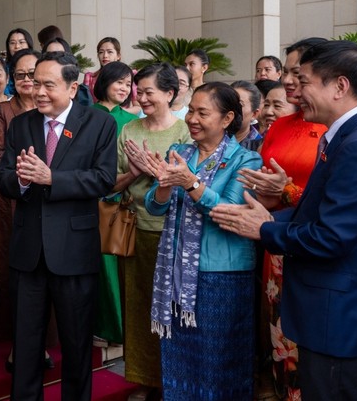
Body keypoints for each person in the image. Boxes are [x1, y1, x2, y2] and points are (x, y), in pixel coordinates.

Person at [211, 40, 357, 401]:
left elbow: (332, 236)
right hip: (330, 307)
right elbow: (323, 208)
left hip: (338, 313)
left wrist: (264, 229)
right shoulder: (351, 134)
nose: (295, 91)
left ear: (340, 86)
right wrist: (271, 215)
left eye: (304, 81)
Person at [0, 51, 118, 400]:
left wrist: (52, 178)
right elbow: (3, 177)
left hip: (74, 253)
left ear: (72, 86)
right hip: (28, 253)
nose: (39, 92)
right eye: (36, 84)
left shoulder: (99, 124)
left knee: (77, 346)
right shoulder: (22, 124)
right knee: (27, 344)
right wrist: (20, 181)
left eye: (49, 85)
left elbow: (104, 179)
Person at [143, 82, 262, 400]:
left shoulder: (246, 161)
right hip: (176, 275)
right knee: (181, 361)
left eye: (202, 113)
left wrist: (191, 182)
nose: (192, 118)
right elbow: (155, 207)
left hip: (221, 277)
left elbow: (231, 213)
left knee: (220, 362)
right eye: (191, 111)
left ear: (227, 119)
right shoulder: (180, 153)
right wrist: (165, 185)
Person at [235, 38, 327, 400]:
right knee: (276, 332)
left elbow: (331, 201)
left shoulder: (330, 128)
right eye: (286, 71)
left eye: (296, 72)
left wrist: (286, 191)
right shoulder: (280, 125)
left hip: (312, 241)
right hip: (273, 239)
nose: (288, 80)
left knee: (312, 343)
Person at [112, 63, 191, 401]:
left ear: (170, 94)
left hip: (175, 234)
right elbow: (110, 184)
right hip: (136, 230)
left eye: (149, 92)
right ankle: (145, 379)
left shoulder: (186, 131)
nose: (141, 98)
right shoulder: (129, 130)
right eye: (137, 91)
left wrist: (157, 171)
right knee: (140, 307)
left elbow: (191, 184)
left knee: (172, 311)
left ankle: (173, 379)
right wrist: (133, 173)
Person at [0, 48, 39, 352]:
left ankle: (43, 341)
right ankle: (17, 343)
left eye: (32, 74)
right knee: (14, 268)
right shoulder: (4, 110)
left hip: (46, 197)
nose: (26, 80)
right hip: (11, 199)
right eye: (20, 75)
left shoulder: (53, 109)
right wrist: (26, 167)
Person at [90, 61, 137, 348]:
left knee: (122, 269)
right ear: (104, 82)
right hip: (93, 200)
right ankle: (105, 327)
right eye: (118, 81)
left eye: (127, 83)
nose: (123, 88)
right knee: (101, 266)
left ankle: (124, 331)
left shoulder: (132, 120)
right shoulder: (86, 115)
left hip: (125, 200)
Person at [231, 80, 263, 151]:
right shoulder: (211, 139)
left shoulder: (259, 146)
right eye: (229, 102)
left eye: (240, 104)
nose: (232, 108)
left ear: (254, 114)